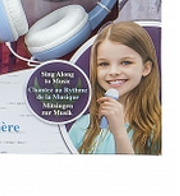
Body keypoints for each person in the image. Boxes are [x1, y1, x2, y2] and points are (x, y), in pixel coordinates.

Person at [68, 21, 161, 154]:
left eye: (126, 62)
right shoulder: (81, 127)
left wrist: (119, 133)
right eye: (104, 64)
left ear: (145, 68)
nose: (113, 72)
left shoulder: (160, 126)